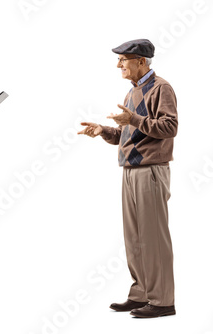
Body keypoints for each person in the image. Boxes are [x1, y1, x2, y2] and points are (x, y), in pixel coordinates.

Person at [78, 39, 178, 318]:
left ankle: (162, 301)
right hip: (130, 171)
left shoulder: (162, 88)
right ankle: (141, 294)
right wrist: (103, 130)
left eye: (123, 59)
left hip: (151, 171)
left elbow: (169, 127)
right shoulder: (131, 93)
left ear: (142, 62)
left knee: (154, 237)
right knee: (134, 237)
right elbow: (130, 134)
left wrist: (132, 120)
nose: (118, 65)